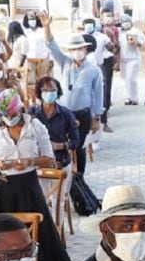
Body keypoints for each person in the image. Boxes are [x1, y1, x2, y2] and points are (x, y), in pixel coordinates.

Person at [0, 89, 73, 261]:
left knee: (42, 232)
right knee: (3, 234)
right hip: (3, 186)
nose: (10, 118)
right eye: (6, 115)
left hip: (28, 186)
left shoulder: (35, 126)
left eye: (13, 114)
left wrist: (29, 162)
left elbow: (49, 158)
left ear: (21, 108)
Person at [41, 12, 102, 176]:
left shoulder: (93, 70)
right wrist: (47, 26)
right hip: (64, 112)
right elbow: (51, 45)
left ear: (85, 49)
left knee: (79, 146)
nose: (77, 52)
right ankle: (61, 174)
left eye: (80, 49)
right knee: (60, 143)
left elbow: (98, 95)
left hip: (83, 114)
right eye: (73, 49)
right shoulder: (65, 62)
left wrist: (96, 118)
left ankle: (80, 176)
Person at [118, 16, 144, 106]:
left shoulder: (135, 31)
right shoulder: (120, 32)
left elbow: (143, 42)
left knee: (131, 78)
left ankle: (134, 97)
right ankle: (128, 97)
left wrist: (137, 43)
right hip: (123, 59)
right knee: (126, 79)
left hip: (133, 58)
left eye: (127, 21)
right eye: (123, 21)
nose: (125, 23)